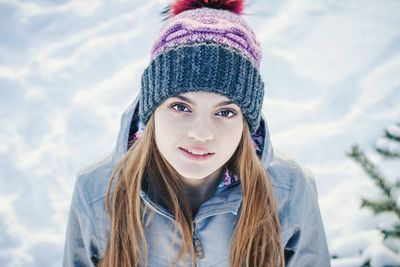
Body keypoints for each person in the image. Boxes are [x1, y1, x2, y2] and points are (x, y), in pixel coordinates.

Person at [63, 0, 331, 266]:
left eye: (225, 112)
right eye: (180, 106)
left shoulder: (289, 189)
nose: (201, 134)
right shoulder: (97, 191)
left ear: (246, 123)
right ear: (151, 111)